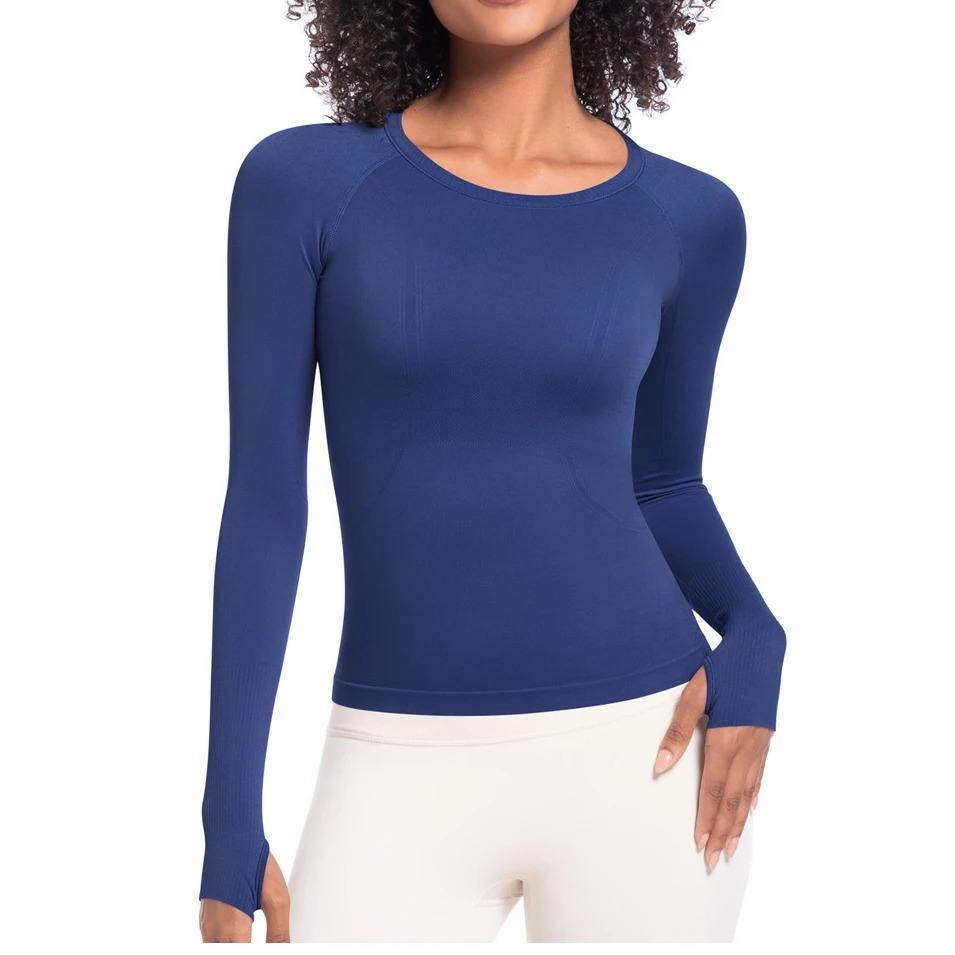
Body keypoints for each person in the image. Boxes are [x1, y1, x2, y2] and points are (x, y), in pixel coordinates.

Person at [198, 0, 786, 942]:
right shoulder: (304, 184)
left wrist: (755, 632)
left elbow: (664, 484)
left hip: (645, 759)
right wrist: (228, 814)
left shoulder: (690, 217)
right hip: (392, 758)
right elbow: (266, 503)